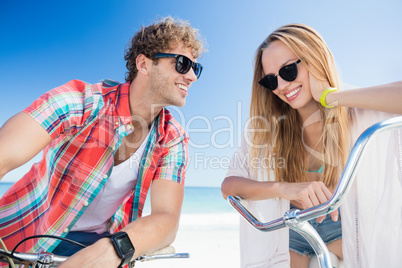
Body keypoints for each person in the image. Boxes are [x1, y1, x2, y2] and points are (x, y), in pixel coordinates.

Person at [0, 16, 205, 267]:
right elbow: (4, 154)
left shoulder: (173, 138)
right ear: (144, 64)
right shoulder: (82, 101)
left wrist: (117, 249)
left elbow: (166, 218)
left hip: (98, 245)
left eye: (197, 68)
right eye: (183, 64)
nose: (192, 76)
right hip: (23, 235)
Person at [221, 23, 402, 268]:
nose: (282, 86)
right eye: (270, 81)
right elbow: (230, 185)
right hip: (292, 228)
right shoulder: (265, 127)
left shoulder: (355, 110)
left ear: (314, 59)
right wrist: (283, 189)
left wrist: (330, 96)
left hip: (343, 226)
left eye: (287, 71)